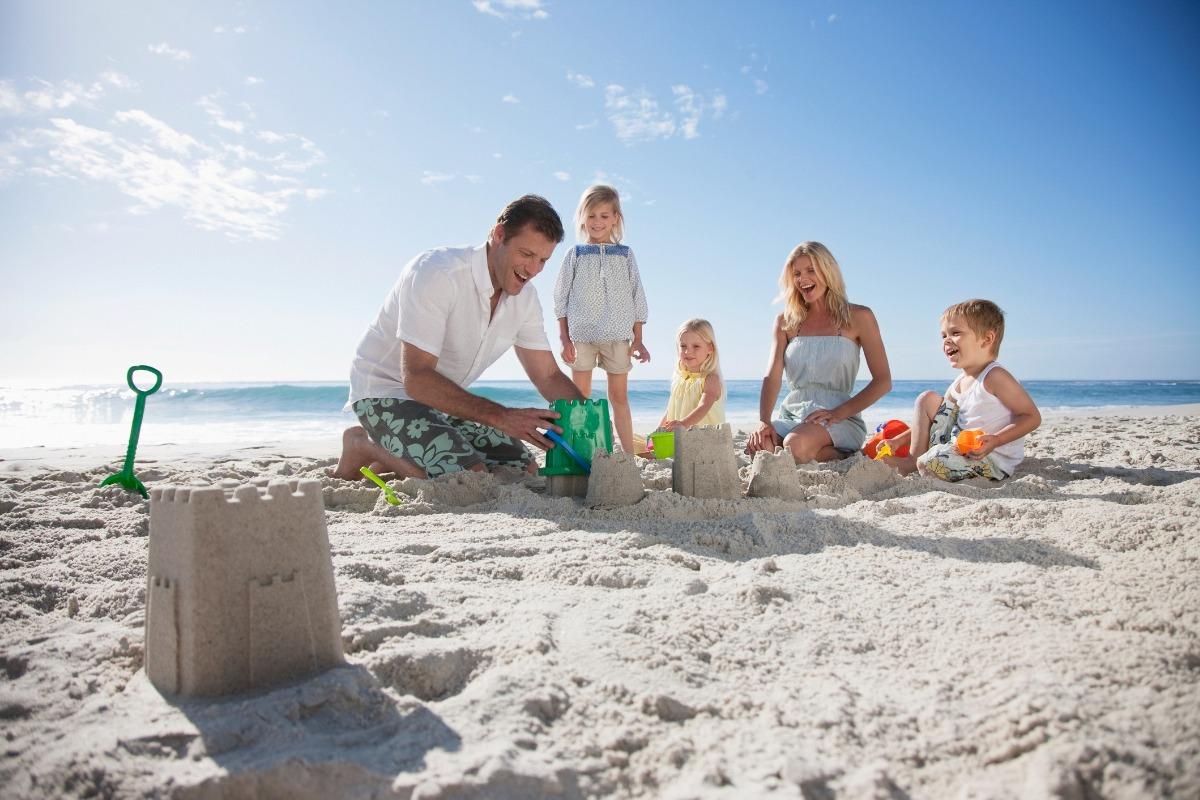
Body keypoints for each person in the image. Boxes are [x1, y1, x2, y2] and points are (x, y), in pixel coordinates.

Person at [333, 194, 585, 480]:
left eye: (543, 260)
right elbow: (416, 377)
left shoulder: (525, 299)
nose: (534, 270)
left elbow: (549, 376)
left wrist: (591, 422)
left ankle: (395, 458)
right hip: (384, 391)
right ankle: (363, 445)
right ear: (498, 235)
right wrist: (503, 417)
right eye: (527, 255)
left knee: (521, 469)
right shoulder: (437, 272)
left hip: (440, 400)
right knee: (467, 477)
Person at [746, 241, 892, 462]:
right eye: (796, 273)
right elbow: (772, 375)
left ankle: (840, 452)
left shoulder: (860, 317)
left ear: (828, 271)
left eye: (811, 270)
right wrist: (764, 420)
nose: (802, 279)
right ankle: (822, 456)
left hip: (838, 418)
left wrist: (839, 413)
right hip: (793, 415)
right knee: (759, 447)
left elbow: (883, 381)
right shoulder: (785, 322)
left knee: (794, 445)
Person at [881, 299, 1040, 481]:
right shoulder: (959, 382)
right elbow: (933, 421)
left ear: (986, 339)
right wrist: (898, 441)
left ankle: (921, 463)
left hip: (987, 458)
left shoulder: (995, 376)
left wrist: (996, 439)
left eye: (955, 333)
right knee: (928, 399)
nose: (947, 340)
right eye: (943, 336)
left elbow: (1031, 417)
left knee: (932, 462)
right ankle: (912, 459)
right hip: (957, 447)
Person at [553, 184, 649, 453]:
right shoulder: (575, 254)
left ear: (615, 218)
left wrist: (639, 339)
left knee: (619, 398)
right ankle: (580, 452)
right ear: (582, 218)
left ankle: (628, 456)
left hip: (618, 337)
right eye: (591, 216)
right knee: (580, 400)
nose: (597, 222)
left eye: (604, 216)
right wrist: (564, 339)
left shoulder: (626, 255)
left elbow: (637, 296)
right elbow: (560, 298)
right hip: (581, 337)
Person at [656, 318, 725, 432]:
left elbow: (704, 406)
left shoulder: (710, 379)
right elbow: (670, 409)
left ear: (710, 348)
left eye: (696, 346)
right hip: (682, 438)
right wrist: (659, 429)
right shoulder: (681, 379)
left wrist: (684, 424)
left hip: (705, 439)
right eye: (683, 346)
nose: (688, 352)